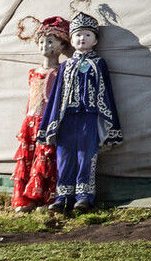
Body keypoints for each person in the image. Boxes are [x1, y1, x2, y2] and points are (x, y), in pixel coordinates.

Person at [38, 11, 123, 212]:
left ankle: (84, 196)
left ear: (95, 40)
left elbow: (106, 93)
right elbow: (57, 95)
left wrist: (107, 119)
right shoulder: (66, 65)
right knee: (65, 156)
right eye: (77, 35)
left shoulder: (99, 63)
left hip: (89, 117)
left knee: (86, 156)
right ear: (71, 40)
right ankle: (63, 196)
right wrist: (51, 122)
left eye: (87, 35)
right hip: (67, 117)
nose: (82, 38)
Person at [11, 16, 71, 211]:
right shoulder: (33, 72)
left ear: (62, 46)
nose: (45, 46)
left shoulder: (62, 71)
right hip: (31, 121)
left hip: (50, 121)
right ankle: (26, 199)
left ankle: (46, 199)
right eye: (42, 42)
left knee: (47, 159)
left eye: (51, 42)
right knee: (28, 159)